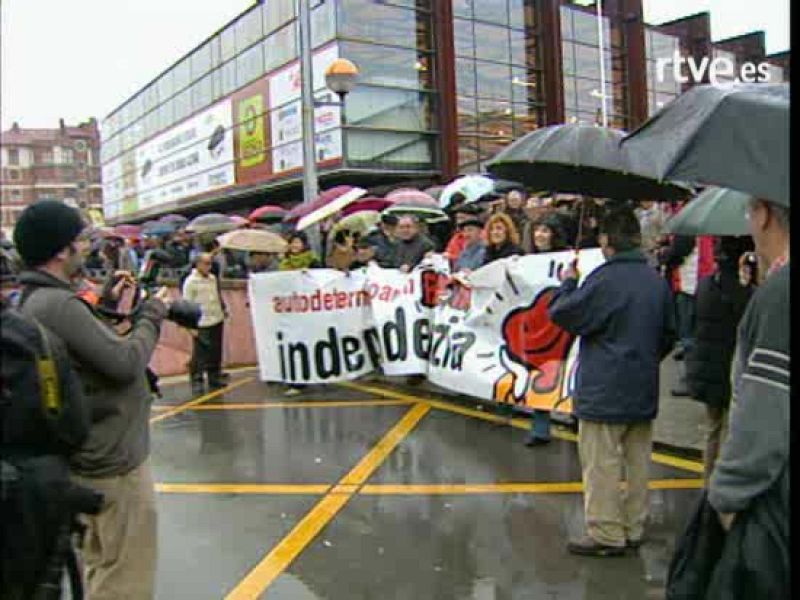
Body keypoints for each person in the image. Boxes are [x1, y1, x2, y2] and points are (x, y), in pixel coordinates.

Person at [13, 199, 170, 599]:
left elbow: (79, 355)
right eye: (80, 240)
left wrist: (104, 306)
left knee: (102, 565)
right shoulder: (58, 304)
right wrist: (152, 314)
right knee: (125, 575)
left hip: (86, 455)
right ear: (61, 249)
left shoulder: (33, 299)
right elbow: (123, 363)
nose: (87, 248)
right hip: (111, 463)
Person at [547, 206, 675, 556]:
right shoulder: (656, 280)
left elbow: (565, 314)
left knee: (601, 463)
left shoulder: (603, 279)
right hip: (642, 383)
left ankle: (606, 532)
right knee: (637, 462)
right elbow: (670, 333)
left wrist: (568, 282)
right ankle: (634, 526)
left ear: (606, 241)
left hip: (604, 386)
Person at [704, 197, 789, 595]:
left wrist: (725, 498)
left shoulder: (781, 294)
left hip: (774, 508)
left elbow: (765, 410)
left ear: (766, 214)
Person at [685, 236, 756, 481]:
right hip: (729, 366)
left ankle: (708, 483)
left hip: (706, 367)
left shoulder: (704, 285)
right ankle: (724, 484)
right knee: (731, 429)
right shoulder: (744, 291)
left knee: (713, 429)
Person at [522, 213, 569, 448]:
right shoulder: (527, 260)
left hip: (562, 323)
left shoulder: (568, 258)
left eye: (545, 231)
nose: (539, 235)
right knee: (541, 374)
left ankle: (577, 417)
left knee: (568, 371)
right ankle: (540, 428)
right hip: (538, 324)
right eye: (537, 230)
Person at [182, 252, 227, 395]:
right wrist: (190, 326)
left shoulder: (212, 279)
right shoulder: (191, 282)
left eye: (210, 263)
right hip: (201, 321)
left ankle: (214, 376)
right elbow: (187, 304)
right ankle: (197, 379)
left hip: (216, 317)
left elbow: (217, 295)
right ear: (198, 264)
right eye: (206, 263)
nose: (209, 266)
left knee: (215, 350)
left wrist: (223, 308)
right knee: (200, 353)